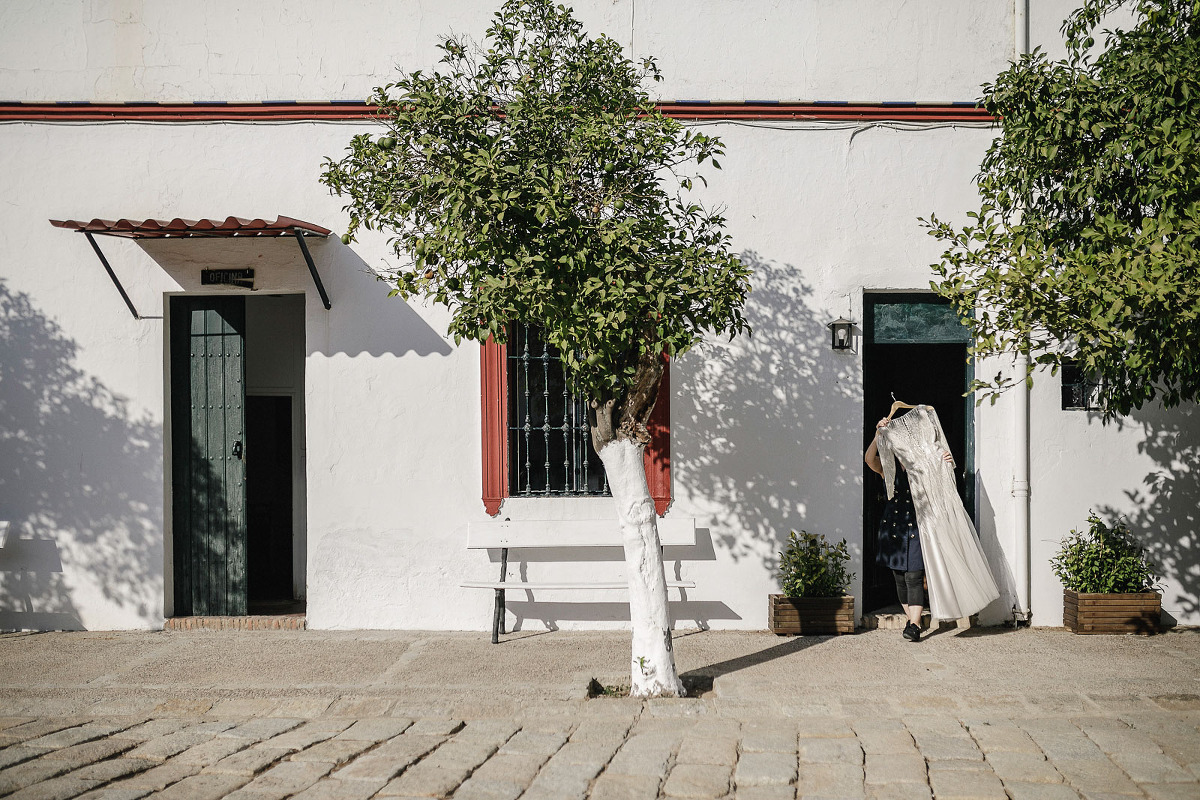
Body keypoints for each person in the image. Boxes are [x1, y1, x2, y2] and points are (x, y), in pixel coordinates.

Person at [864, 416, 952, 643]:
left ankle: (914, 624)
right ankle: (911, 619)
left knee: (914, 576)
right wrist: (878, 435)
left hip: (917, 529)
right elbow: (869, 459)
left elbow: (944, 485)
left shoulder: (925, 467)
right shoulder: (889, 468)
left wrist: (946, 462)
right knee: (899, 577)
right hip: (893, 529)